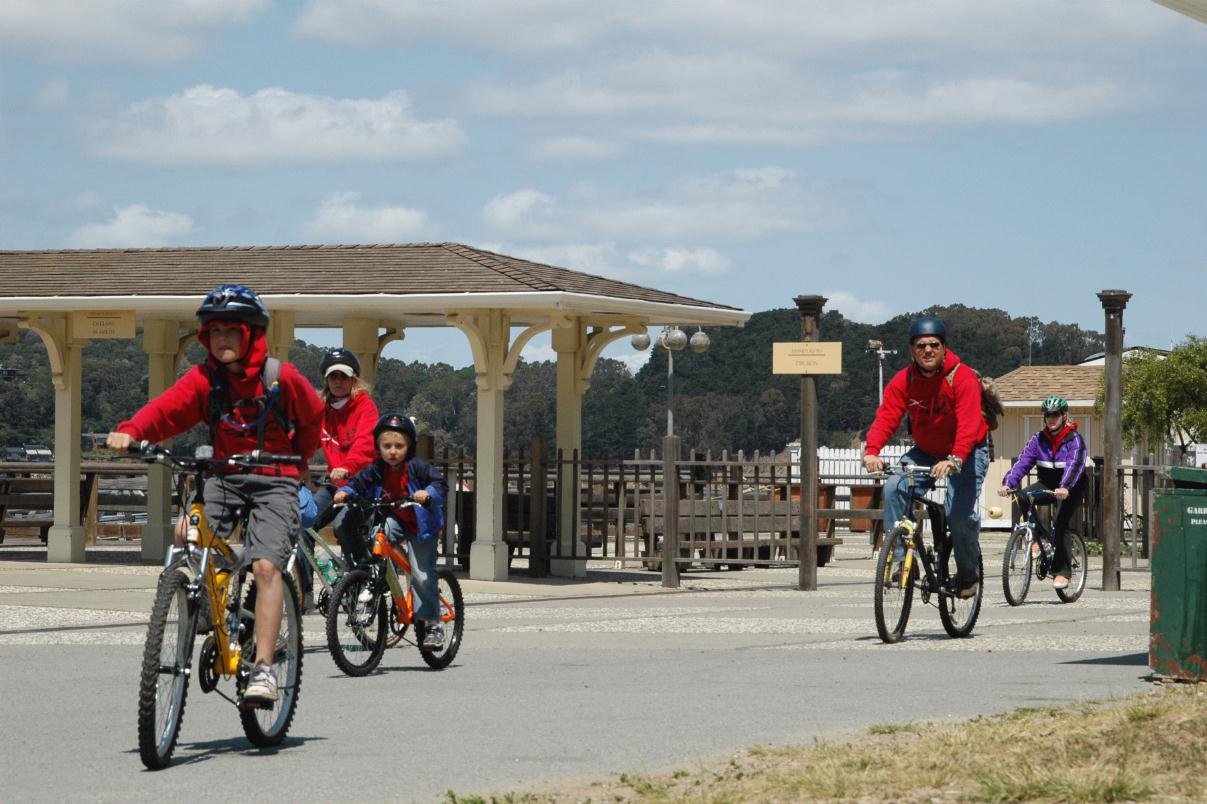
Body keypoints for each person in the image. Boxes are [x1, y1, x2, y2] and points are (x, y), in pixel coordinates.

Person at [107, 284, 324, 704]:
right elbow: (168, 410)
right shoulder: (204, 378)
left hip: (275, 477)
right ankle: (210, 601)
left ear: (251, 334)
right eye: (215, 331)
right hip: (223, 475)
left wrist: (298, 466)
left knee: (265, 567)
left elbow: (312, 420)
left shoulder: (281, 378)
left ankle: (263, 668)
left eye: (232, 330)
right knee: (186, 535)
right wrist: (132, 431)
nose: (222, 338)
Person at [861, 315, 990, 599]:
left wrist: (955, 459)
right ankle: (901, 561)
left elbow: (969, 423)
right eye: (921, 346)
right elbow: (887, 417)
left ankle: (969, 574)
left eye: (934, 344)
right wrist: (871, 451)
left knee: (958, 515)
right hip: (926, 451)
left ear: (944, 347)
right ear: (912, 350)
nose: (928, 350)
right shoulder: (903, 381)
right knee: (894, 487)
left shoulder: (963, 377)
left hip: (967, 452)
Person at [333, 413, 448, 647]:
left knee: (422, 574)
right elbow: (359, 482)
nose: (392, 451)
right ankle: (373, 588)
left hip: (422, 526)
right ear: (378, 446)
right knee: (376, 538)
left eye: (399, 446)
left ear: (409, 446)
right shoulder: (377, 468)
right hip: (396, 519)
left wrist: (428, 494)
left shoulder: (418, 467)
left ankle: (433, 623)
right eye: (386, 446)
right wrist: (346, 491)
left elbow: (440, 484)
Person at [295, 347, 379, 611]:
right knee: (303, 523)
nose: (338, 381)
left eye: (344, 376)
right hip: (335, 483)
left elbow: (367, 443)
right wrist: (295, 463)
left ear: (354, 379)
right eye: (333, 377)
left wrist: (348, 466)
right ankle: (304, 594)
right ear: (326, 380)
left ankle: (368, 577)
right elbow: (302, 437)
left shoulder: (364, 405)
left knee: (344, 526)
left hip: (363, 483)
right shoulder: (320, 409)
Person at [998, 395, 1088, 590]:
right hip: (1047, 483)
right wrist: (1008, 483)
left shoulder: (1074, 440)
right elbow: (1023, 462)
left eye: (1055, 414)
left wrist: (1065, 487)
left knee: (1060, 522)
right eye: (1047, 415)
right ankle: (1040, 540)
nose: (1051, 419)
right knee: (1022, 495)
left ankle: (1063, 572)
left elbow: (1075, 465)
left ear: (1064, 416)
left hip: (1071, 487)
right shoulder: (1038, 440)